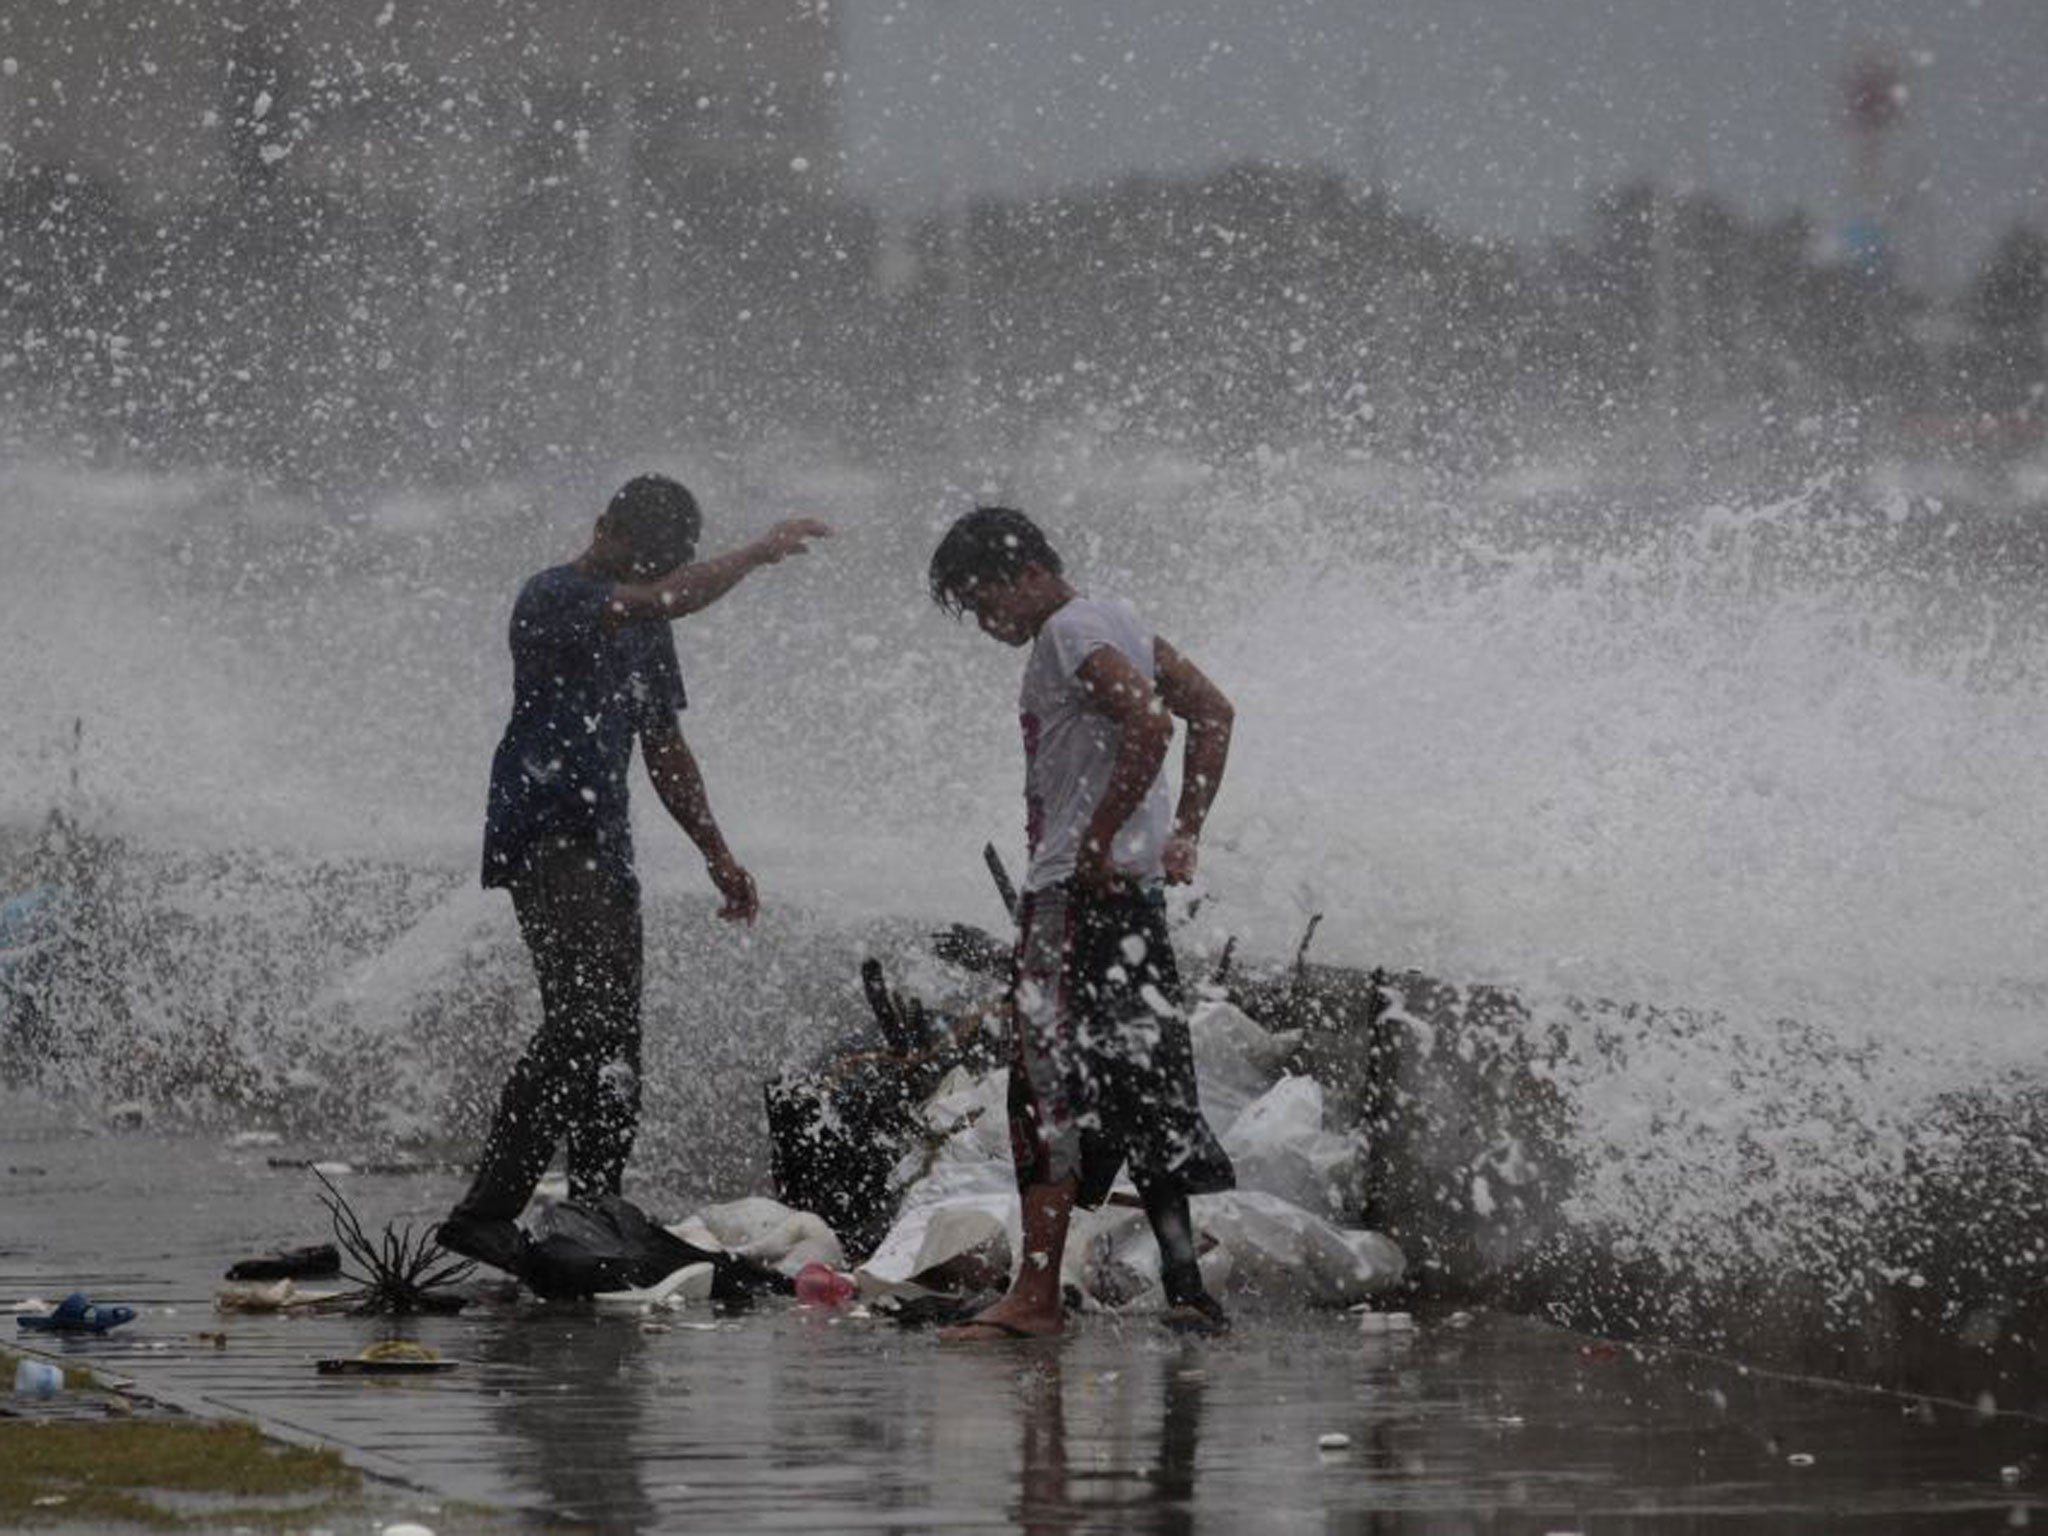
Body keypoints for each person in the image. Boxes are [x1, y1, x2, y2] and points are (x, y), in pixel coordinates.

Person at [437, 474, 831, 1273]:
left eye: (655, 565)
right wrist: (753, 554)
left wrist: (718, 854)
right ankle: (487, 1212)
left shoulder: (645, 616)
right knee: (583, 1019)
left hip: (603, 841)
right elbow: (657, 603)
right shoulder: (553, 595)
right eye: (638, 557)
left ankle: (595, 1207)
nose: (642, 576)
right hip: (546, 831)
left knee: (616, 1037)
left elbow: (665, 748)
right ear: (603, 526)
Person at [926, 505, 1237, 1339]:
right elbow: (1213, 712)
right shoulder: (1121, 619)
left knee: (1044, 1091)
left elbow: (1152, 721)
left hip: (1073, 896)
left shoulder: (1066, 631)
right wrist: (1183, 834)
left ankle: (1034, 1297)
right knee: (1147, 1085)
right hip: (1134, 901)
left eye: (987, 602)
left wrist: (1097, 836)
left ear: (1027, 574)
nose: (990, 625)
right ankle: (1186, 1287)